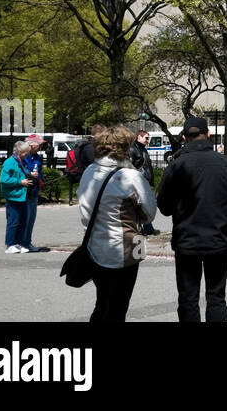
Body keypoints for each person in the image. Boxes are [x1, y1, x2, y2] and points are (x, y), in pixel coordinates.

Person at [156, 116, 227, 322]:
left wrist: (181, 207)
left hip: (186, 240)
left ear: (184, 138)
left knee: (188, 299)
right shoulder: (225, 162)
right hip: (216, 238)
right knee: (216, 297)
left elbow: (164, 206)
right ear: (208, 135)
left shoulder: (176, 165)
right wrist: (222, 204)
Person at [78, 126, 157, 321]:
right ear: (125, 149)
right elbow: (149, 213)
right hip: (125, 248)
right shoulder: (131, 176)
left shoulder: (89, 171)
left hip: (94, 245)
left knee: (102, 301)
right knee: (118, 306)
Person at [0, 141, 35, 253]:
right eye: (25, 152)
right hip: (14, 196)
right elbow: (3, 179)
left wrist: (30, 174)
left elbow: (23, 173)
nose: (27, 154)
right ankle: (10, 244)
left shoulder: (21, 161)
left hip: (23, 196)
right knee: (13, 221)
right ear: (19, 152)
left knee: (22, 221)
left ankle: (19, 243)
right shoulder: (9, 162)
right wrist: (20, 182)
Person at [22, 135, 49, 251]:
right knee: (25, 218)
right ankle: (22, 242)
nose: (40, 146)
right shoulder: (24, 156)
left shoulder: (37, 157)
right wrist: (29, 174)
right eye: (39, 144)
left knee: (31, 218)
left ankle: (27, 242)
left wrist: (40, 181)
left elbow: (39, 171)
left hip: (34, 191)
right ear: (32, 144)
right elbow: (21, 170)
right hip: (25, 191)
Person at [130, 130, 159, 236]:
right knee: (140, 206)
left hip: (144, 182)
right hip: (138, 183)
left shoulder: (142, 149)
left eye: (148, 138)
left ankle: (147, 228)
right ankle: (146, 228)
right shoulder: (133, 149)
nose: (148, 140)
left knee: (145, 206)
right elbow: (130, 166)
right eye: (146, 138)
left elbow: (147, 166)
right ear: (138, 137)